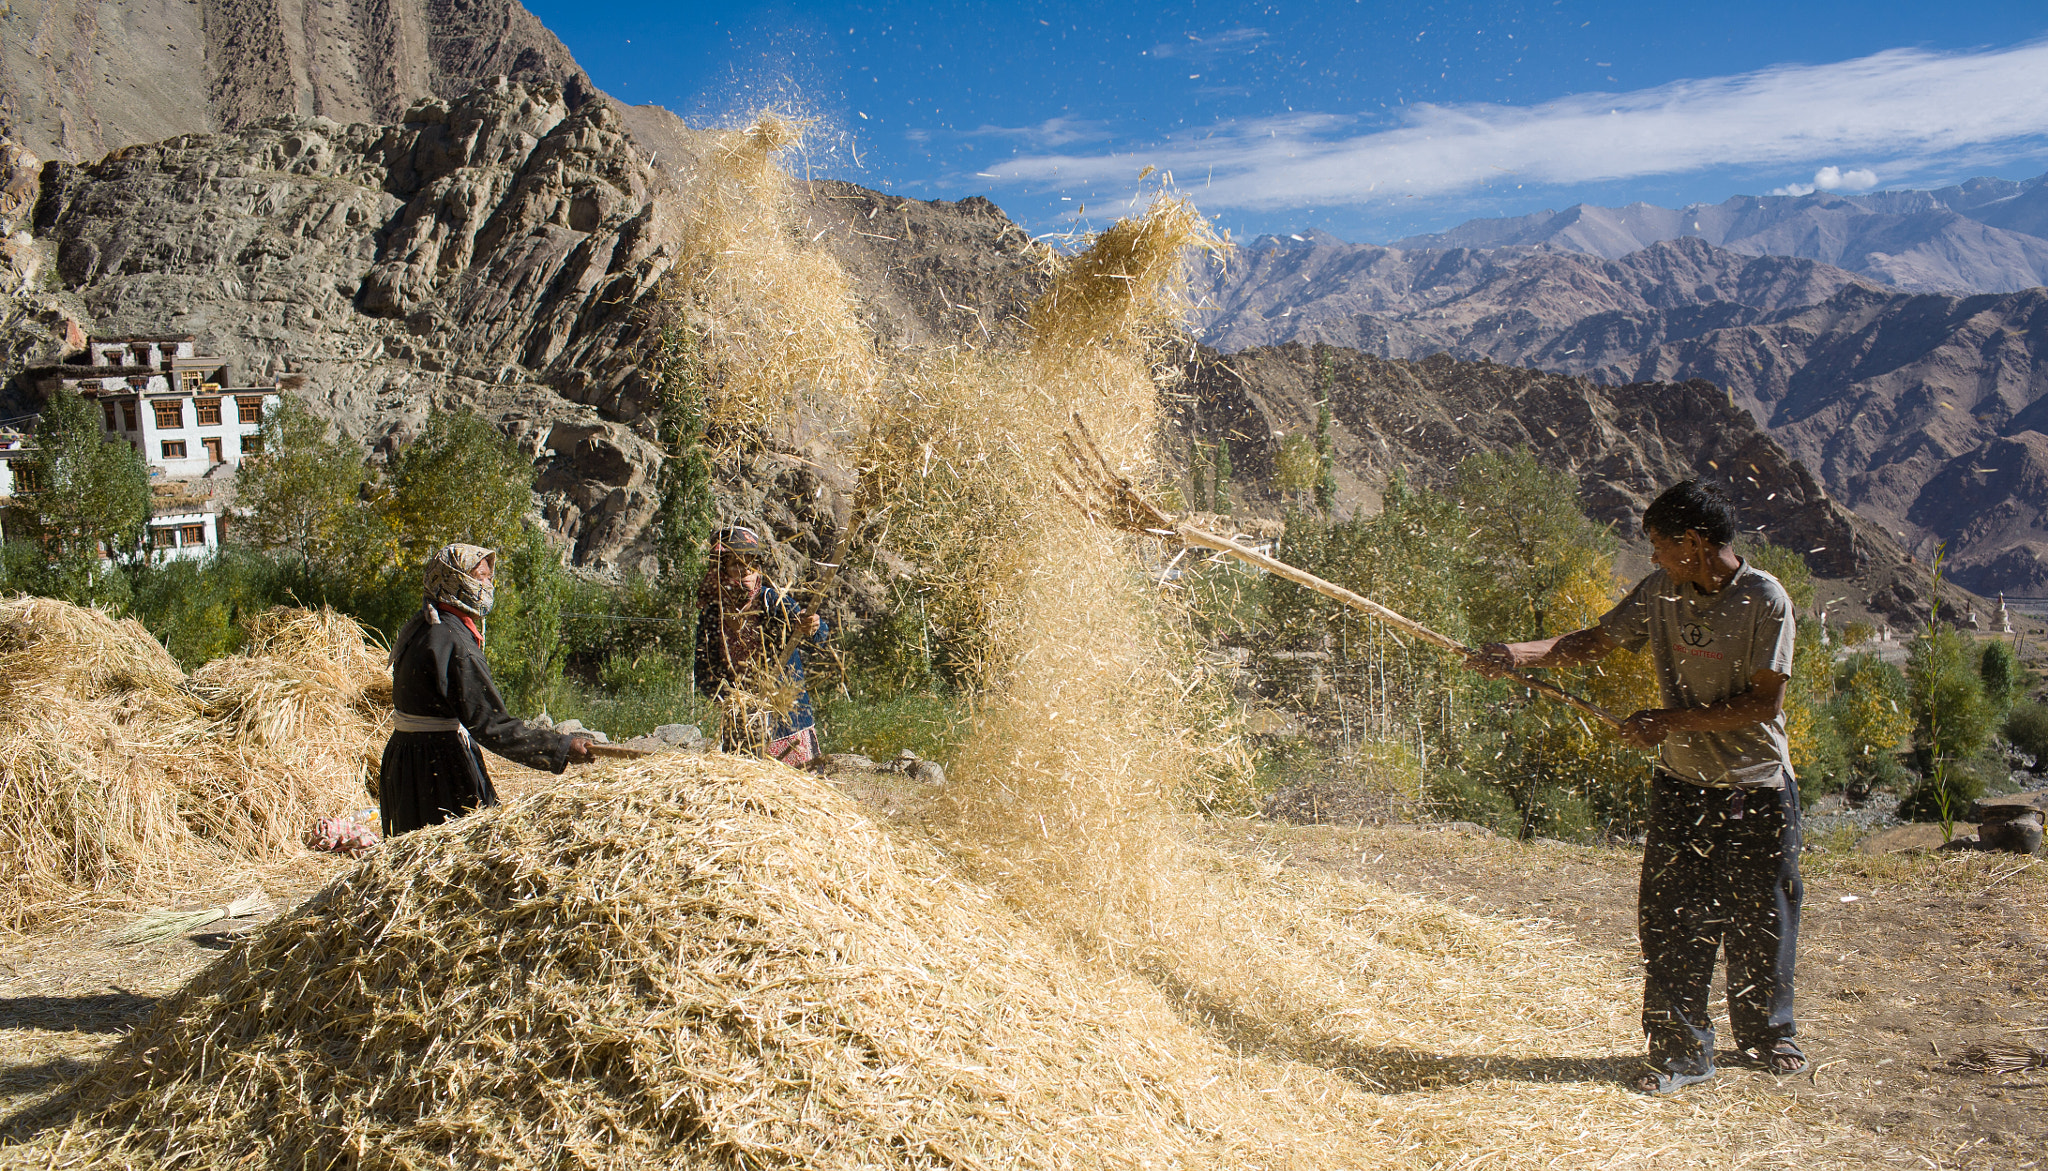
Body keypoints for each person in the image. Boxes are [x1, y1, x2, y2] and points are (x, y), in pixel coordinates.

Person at [1465, 481, 1805, 1095]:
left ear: (1694, 543)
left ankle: (1768, 1036)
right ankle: (1681, 1053)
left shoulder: (1766, 600)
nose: (1652, 558)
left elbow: (1762, 703)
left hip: (1755, 788)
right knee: (1671, 921)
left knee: (1762, 920)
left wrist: (1666, 722)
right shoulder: (1662, 591)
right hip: (1681, 786)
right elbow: (1596, 642)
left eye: (1658, 545)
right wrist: (1519, 653)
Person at [380, 543, 593, 835]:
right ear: (454, 580)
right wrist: (560, 747)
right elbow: (490, 724)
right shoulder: (454, 641)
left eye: (489, 578)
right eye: (479, 577)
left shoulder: (425, 626)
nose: (487, 586)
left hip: (406, 761)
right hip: (438, 770)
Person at [695, 525, 829, 766]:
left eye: (750, 563)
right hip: (741, 722)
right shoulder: (712, 614)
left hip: (787, 718)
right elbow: (704, 670)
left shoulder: (773, 602)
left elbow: (818, 635)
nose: (745, 570)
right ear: (721, 571)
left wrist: (813, 625)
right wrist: (731, 700)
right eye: (736, 564)